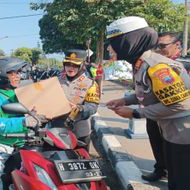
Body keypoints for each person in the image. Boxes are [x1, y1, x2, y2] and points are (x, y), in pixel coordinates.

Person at [105, 16, 190, 190]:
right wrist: (125, 100)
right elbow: (150, 92)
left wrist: (136, 113)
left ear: (127, 42)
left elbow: (181, 104)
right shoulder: (141, 63)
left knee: (181, 182)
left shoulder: (157, 66)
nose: (108, 48)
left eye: (113, 42)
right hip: (169, 130)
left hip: (182, 134)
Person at [0, 58, 47, 190]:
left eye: (18, 73)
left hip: (28, 140)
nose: (18, 76)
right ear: (1, 76)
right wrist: (23, 121)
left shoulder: (23, 93)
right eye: (12, 73)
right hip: (1, 143)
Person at [141, 31, 182, 182]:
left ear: (177, 44)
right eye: (156, 46)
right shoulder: (154, 63)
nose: (158, 49)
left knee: (175, 148)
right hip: (154, 110)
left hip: (176, 114)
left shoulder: (183, 63)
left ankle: (175, 174)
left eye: (162, 46)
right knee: (156, 140)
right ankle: (160, 169)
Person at [52, 49, 100, 151]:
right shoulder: (55, 81)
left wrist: (79, 108)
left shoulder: (91, 84)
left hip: (80, 132)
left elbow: (92, 107)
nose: (71, 68)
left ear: (81, 66)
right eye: (68, 64)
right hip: (56, 131)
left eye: (75, 65)